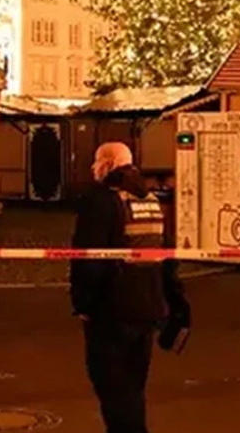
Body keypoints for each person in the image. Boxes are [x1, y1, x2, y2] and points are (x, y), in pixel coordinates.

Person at [70, 142, 190, 433]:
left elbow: (88, 260)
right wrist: (172, 301)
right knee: (133, 387)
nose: (93, 168)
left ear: (109, 165)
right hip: (148, 309)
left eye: (97, 162)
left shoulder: (100, 201)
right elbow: (166, 256)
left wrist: (83, 305)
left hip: (111, 311)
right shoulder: (149, 200)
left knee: (111, 386)